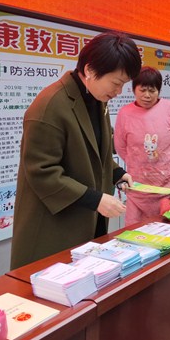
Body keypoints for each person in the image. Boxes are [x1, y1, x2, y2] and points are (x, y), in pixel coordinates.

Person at [10, 31, 142, 270]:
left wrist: (116, 173)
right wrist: (95, 199)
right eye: (116, 83)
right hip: (53, 228)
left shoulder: (97, 98)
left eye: (123, 85)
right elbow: (42, 172)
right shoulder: (50, 105)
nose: (118, 92)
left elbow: (94, 149)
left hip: (84, 222)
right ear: (90, 70)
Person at [114, 67, 170, 225]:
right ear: (134, 89)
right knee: (135, 235)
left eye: (152, 90)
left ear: (158, 90)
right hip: (138, 190)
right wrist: (140, 162)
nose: (147, 95)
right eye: (142, 90)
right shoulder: (125, 113)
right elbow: (121, 147)